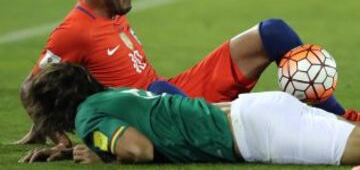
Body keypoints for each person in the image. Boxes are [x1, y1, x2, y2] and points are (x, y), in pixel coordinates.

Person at [16, 0, 360, 145]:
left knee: (274, 32)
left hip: (180, 90)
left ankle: (341, 117)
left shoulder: (111, 9)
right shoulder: (74, 30)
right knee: (262, 116)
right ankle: (328, 133)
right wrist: (54, 132)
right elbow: (32, 85)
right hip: (154, 110)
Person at [19, 63, 360, 165]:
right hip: (255, 112)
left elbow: (138, 149)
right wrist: (78, 151)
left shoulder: (87, 118)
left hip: (256, 133)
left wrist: (100, 160)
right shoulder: (110, 96)